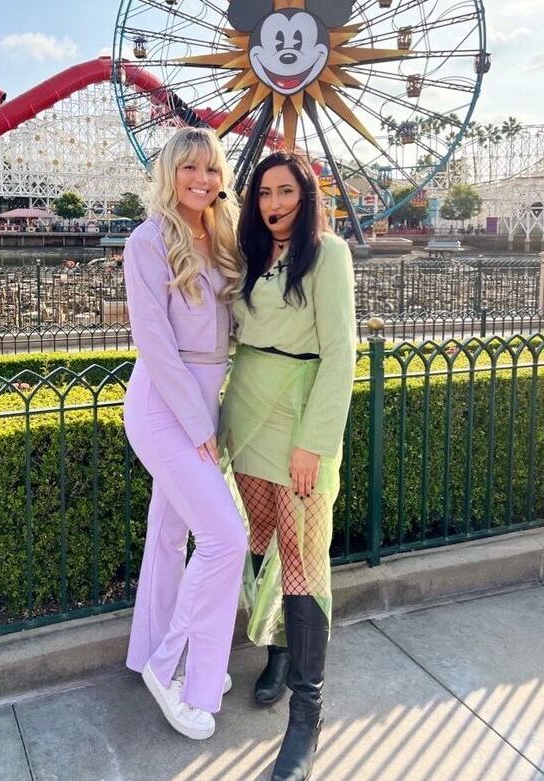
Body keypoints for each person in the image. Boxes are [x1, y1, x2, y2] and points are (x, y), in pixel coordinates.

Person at [220, 152, 356, 780]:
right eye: (264, 193)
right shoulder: (249, 252)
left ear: (308, 195)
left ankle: (307, 714)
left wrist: (315, 443)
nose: (274, 204)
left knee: (304, 555)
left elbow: (341, 355)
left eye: (286, 192)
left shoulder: (327, 255)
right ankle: (273, 646)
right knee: (256, 538)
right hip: (246, 408)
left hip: (298, 415)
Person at [123, 127, 247, 741]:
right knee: (226, 537)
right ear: (170, 172)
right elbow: (155, 342)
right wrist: (200, 426)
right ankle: (172, 667)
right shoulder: (148, 241)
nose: (202, 179)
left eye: (212, 169)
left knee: (169, 535)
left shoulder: (222, 235)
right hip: (163, 405)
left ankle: (152, 648)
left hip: (206, 400)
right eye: (189, 168)